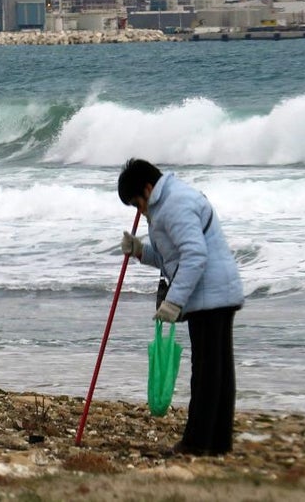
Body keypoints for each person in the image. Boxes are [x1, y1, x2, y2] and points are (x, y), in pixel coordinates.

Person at [117, 158, 244, 456]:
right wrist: (139, 251)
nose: (139, 211)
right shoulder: (169, 202)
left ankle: (197, 443)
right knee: (217, 371)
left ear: (147, 189)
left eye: (137, 203)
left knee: (206, 371)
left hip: (210, 296)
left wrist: (174, 301)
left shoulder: (174, 204)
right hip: (216, 292)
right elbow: (170, 258)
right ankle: (217, 443)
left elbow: (195, 256)